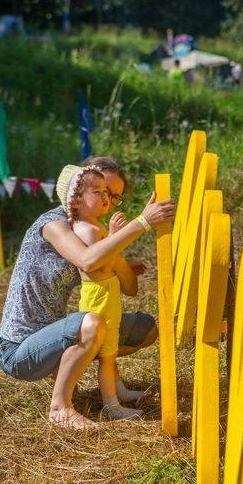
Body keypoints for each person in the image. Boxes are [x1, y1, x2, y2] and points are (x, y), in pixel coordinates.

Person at [0, 157, 176, 429]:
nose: (107, 201)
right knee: (92, 323)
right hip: (21, 348)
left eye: (114, 196)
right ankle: (60, 407)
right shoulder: (54, 225)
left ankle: (100, 381)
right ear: (78, 191)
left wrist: (116, 251)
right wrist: (141, 222)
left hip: (54, 333)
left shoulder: (95, 230)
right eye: (101, 191)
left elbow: (129, 287)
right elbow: (87, 260)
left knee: (144, 328)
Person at [68, 165, 144, 421]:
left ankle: (118, 390)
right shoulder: (88, 229)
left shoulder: (92, 225)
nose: (105, 197)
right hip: (99, 296)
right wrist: (114, 236)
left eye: (106, 192)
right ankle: (111, 405)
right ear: (76, 201)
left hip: (105, 292)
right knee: (107, 354)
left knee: (110, 349)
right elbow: (101, 262)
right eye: (97, 192)